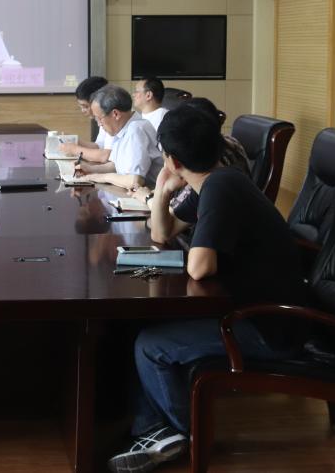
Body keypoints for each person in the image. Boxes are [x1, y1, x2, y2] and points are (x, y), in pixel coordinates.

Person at [107, 105, 307, 473]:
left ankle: (183, 432)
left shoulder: (221, 187)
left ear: (172, 159)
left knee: (151, 345)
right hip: (250, 308)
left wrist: (167, 188)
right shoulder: (217, 180)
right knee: (138, 327)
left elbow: (200, 268)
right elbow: (162, 233)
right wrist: (163, 192)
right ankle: (149, 427)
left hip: (268, 325)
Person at [131, 98, 250, 244]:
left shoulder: (214, 187)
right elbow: (161, 235)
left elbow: (199, 263)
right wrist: (162, 186)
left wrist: (150, 197)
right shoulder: (215, 168)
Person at [74, 84, 162, 189]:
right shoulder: (124, 128)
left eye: (99, 118)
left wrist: (99, 177)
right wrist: (90, 169)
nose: (99, 124)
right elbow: (116, 165)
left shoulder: (136, 130)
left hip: (148, 194)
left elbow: (135, 181)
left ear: (115, 114)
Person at [59, 76, 112, 162]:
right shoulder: (103, 117)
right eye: (81, 106)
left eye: (85, 106)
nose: (83, 111)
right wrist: (75, 141)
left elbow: (105, 155)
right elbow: (100, 146)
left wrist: (74, 149)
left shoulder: (111, 119)